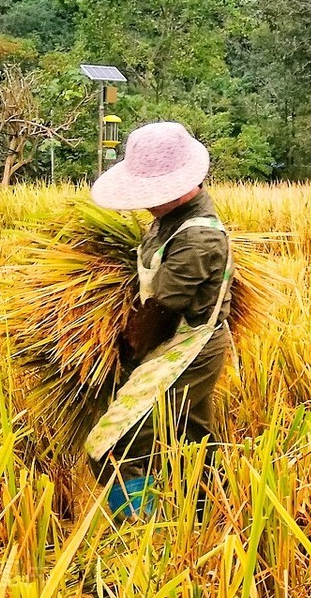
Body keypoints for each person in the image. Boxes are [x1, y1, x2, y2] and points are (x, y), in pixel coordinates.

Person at [83, 121, 234, 520]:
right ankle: (207, 518)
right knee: (191, 437)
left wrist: (123, 354)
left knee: (117, 442)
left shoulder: (198, 238)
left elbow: (161, 312)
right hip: (175, 339)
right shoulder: (168, 219)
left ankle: (140, 537)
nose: (146, 201)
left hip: (188, 346)